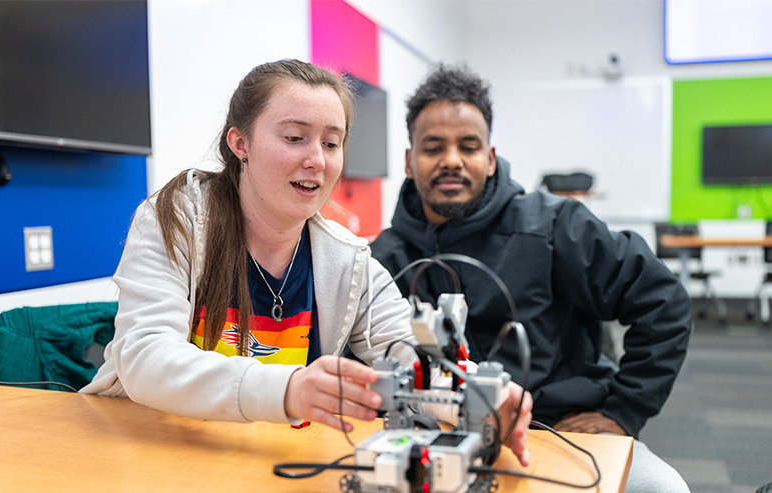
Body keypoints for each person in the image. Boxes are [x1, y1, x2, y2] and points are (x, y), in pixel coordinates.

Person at [81, 59, 531, 464]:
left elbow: (410, 355)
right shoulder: (179, 220)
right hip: (145, 448)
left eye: (331, 143)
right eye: (295, 138)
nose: (316, 160)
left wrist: (478, 392)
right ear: (240, 143)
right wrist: (291, 389)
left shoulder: (347, 258)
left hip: (259, 455)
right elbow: (145, 357)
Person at [369, 64, 693, 492]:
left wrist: (624, 411)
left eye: (468, 146)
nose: (452, 160)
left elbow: (663, 300)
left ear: (489, 157)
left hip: (556, 428)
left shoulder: (554, 225)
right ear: (410, 162)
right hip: (431, 435)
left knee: (661, 489)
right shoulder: (383, 256)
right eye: (434, 147)